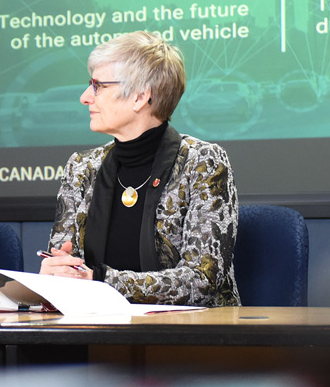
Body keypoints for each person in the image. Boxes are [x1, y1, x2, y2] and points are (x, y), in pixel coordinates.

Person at [40, 31, 239, 306]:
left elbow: (201, 282)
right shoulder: (81, 168)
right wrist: (55, 274)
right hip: (94, 330)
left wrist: (99, 280)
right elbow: (64, 265)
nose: (85, 97)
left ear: (139, 97)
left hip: (187, 337)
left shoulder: (203, 163)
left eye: (98, 86)